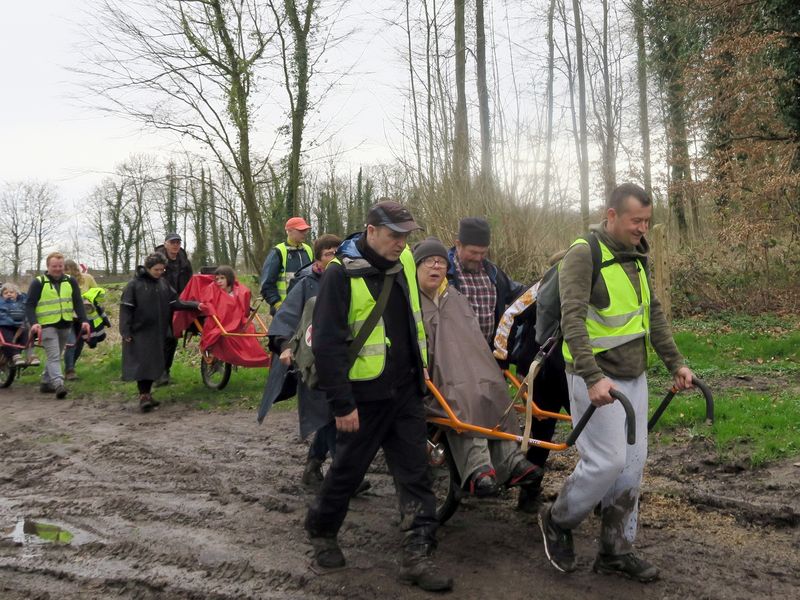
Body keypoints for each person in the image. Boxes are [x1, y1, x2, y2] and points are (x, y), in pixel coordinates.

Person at [538, 183, 694, 583]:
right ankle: (557, 519)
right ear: (611, 216)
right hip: (597, 381)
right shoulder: (583, 255)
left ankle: (615, 551)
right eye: (635, 220)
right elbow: (572, 320)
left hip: (634, 379)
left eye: (647, 220)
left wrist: (675, 362)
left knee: (631, 468)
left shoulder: (636, 257)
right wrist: (592, 377)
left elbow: (651, 315)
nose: (643, 227)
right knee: (605, 462)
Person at [305, 200, 452, 592]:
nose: (402, 244)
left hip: (404, 392)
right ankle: (321, 530)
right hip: (363, 397)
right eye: (394, 235)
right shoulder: (340, 274)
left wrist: (421, 366)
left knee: (416, 475)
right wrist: (342, 403)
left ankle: (417, 553)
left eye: (406, 236)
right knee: (347, 471)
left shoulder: (403, 263)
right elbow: (327, 344)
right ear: (371, 230)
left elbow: (412, 320)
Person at [414, 237, 543, 497]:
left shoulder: (456, 299)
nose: (435, 267)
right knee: (464, 395)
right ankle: (477, 467)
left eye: (440, 262)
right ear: (415, 267)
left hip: (469, 369)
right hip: (434, 377)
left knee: (495, 389)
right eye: (428, 262)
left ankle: (511, 460)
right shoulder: (410, 303)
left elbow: (473, 341)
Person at [257, 234, 345, 487]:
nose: (334, 257)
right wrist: (284, 346)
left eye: (337, 253)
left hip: (337, 359)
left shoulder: (344, 281)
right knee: (326, 413)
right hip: (311, 362)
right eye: (329, 253)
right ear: (318, 258)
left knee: (328, 413)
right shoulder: (307, 283)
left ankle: (313, 466)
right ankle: (345, 475)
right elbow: (286, 318)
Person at [493, 278, 571, 513]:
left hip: (570, 369)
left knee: (588, 429)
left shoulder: (593, 284)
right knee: (541, 431)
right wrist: (501, 359)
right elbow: (510, 315)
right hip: (540, 368)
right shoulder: (543, 287)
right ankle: (529, 493)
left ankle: (598, 494)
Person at [120, 253, 205, 412]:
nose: (159, 272)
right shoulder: (134, 285)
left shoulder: (163, 284)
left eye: (161, 269)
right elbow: (126, 308)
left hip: (158, 330)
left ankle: (147, 394)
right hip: (139, 331)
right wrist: (125, 331)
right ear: (148, 268)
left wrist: (196, 305)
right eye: (156, 269)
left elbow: (175, 303)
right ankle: (143, 396)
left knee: (154, 363)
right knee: (143, 364)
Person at [446, 217, 525, 345]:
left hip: (487, 353)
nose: (478, 258)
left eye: (483, 253)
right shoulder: (443, 274)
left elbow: (518, 293)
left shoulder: (493, 272)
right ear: (458, 244)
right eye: (473, 252)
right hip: (455, 354)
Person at [26, 252, 90, 399]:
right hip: (46, 325)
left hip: (65, 324)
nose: (57, 269)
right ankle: (58, 384)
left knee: (56, 354)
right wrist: (34, 323)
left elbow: (78, 302)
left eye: (60, 266)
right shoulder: (38, 282)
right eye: (54, 266)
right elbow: (29, 305)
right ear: (48, 266)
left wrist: (84, 320)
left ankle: (46, 382)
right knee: (54, 356)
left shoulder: (70, 281)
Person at [153, 232, 194, 386]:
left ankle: (165, 372)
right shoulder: (157, 261)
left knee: (173, 338)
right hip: (160, 304)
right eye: (172, 242)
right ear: (165, 244)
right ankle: (158, 373)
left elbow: (190, 281)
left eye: (178, 242)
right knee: (163, 338)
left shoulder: (184, 261)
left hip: (178, 303)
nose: (175, 245)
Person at [259, 217, 313, 314]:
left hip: (306, 309)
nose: (305, 233)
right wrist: (278, 305)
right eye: (301, 230)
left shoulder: (308, 250)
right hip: (284, 311)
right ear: (289, 231)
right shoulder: (278, 252)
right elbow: (267, 285)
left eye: (306, 230)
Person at [62, 259, 98, 380]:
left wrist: (89, 299)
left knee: (79, 344)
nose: (65, 272)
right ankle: (69, 370)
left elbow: (97, 292)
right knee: (71, 342)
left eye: (66, 269)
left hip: (82, 316)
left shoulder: (87, 278)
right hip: (67, 317)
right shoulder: (61, 280)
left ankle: (71, 366)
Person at [0, 283, 37, 367]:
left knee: (28, 335)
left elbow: (28, 311)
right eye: (5, 293)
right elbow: (2, 314)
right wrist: (11, 321)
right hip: (5, 325)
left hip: (20, 326)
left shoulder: (22, 302)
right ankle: (15, 355)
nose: (9, 294)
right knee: (7, 338)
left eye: (11, 292)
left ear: (17, 294)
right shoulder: (1, 303)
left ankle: (30, 355)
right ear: (2, 295)